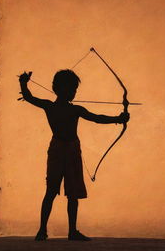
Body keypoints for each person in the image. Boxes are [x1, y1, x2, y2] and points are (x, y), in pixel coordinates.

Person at [18, 70, 129, 241]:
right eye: (71, 88)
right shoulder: (52, 106)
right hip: (58, 150)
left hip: (71, 150)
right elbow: (29, 97)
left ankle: (72, 231)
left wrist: (118, 118)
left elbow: (97, 118)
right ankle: (42, 230)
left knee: (73, 192)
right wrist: (23, 83)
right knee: (51, 191)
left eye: (74, 88)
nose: (73, 92)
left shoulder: (72, 109)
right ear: (59, 88)